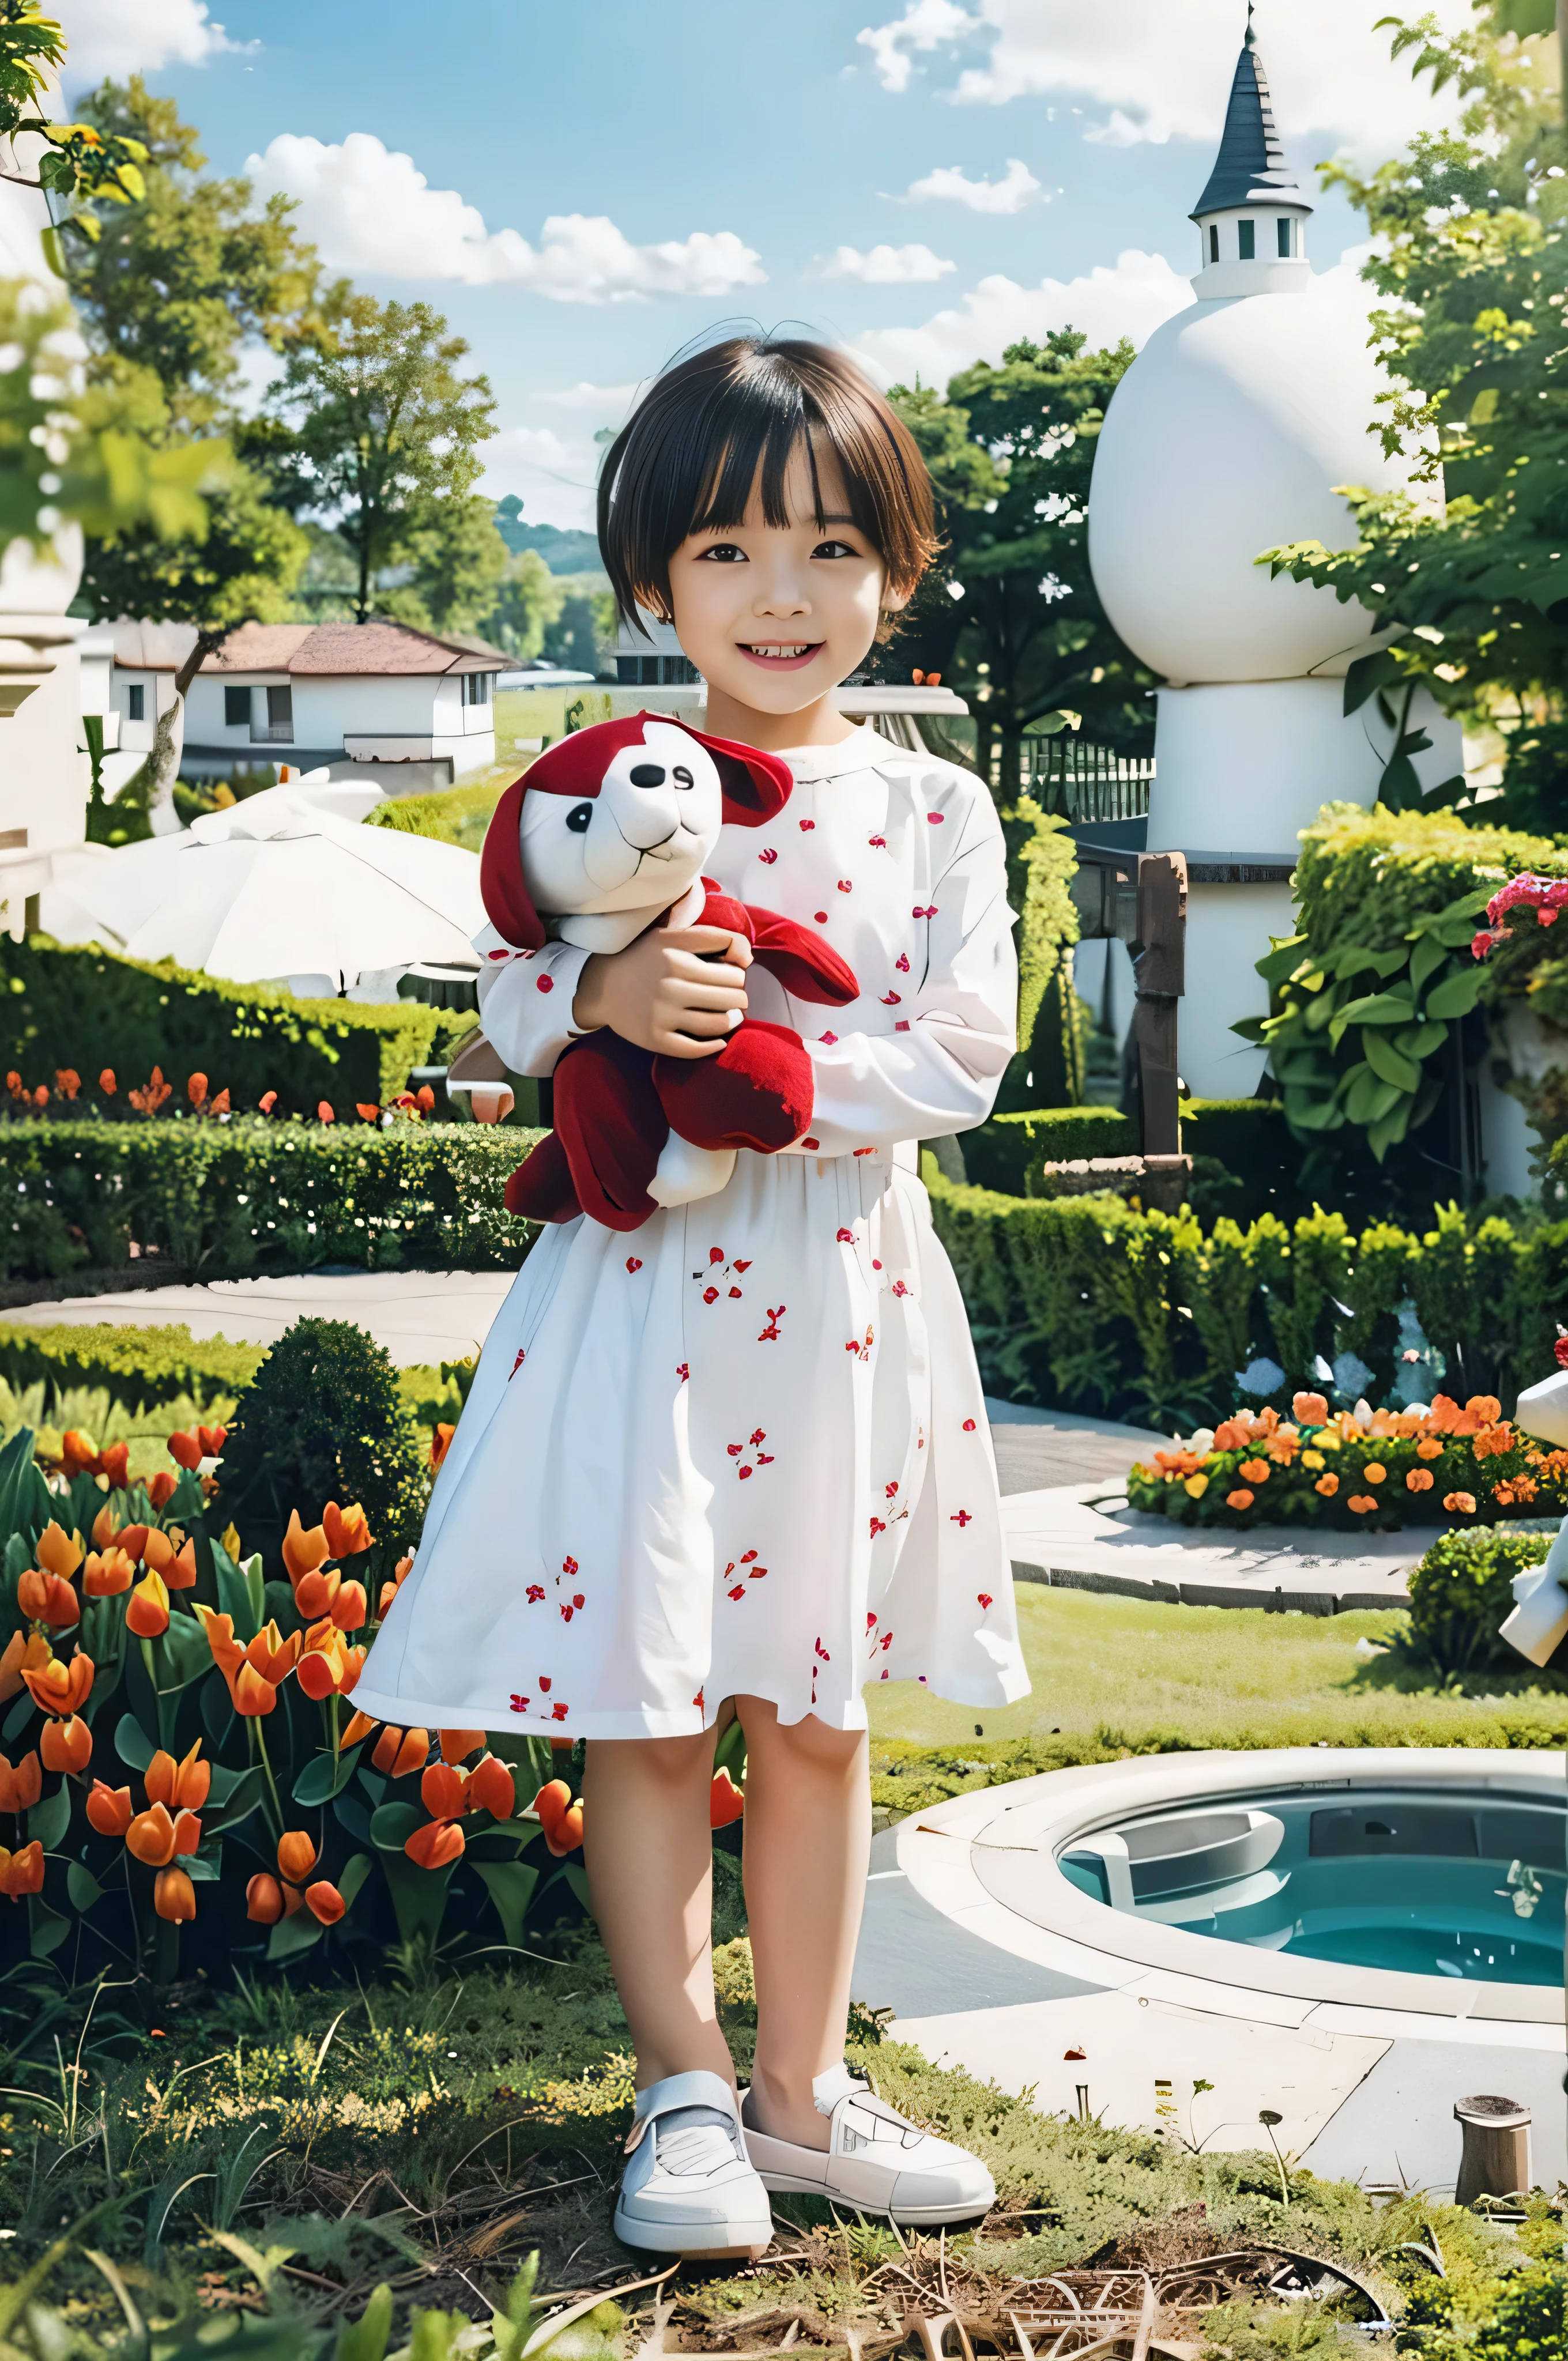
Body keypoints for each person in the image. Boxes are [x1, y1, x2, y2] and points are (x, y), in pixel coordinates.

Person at [352, 335, 1028, 2258]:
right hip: (643, 1301)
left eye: (829, 547)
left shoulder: (937, 810)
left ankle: (803, 2098)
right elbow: (495, 998)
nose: (785, 594)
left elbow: (962, 1054)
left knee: (811, 1711)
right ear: (654, 581)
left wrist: (782, 1084)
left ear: (895, 568)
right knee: (648, 1712)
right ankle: (683, 2095)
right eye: (730, 551)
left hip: (839, 1308)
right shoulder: (617, 788)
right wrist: (597, 1004)